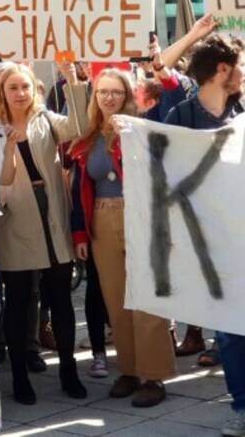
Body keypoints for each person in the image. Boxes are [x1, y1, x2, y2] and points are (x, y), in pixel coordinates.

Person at [71, 68, 177, 408]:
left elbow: (160, 167)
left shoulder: (142, 127)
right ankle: (130, 371)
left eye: (116, 92)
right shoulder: (88, 137)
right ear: (95, 97)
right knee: (116, 299)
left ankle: (154, 376)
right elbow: (79, 188)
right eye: (102, 91)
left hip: (140, 216)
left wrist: (130, 136)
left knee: (146, 297)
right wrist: (80, 234)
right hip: (102, 219)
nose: (109, 98)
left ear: (128, 96)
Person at [0, 62, 89, 405]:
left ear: (35, 90)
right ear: (2, 92)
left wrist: (73, 82)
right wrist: (7, 147)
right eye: (12, 87)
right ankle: (19, 377)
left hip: (54, 216)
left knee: (59, 296)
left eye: (25, 87)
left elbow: (79, 126)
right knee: (17, 301)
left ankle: (69, 371)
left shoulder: (45, 119)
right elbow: (1, 180)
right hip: (17, 220)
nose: (19, 93)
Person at [163, 32, 244, 435]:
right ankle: (242, 408)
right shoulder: (181, 117)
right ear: (223, 70)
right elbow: (163, 175)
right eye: (240, 65)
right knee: (230, 331)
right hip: (212, 246)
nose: (244, 72)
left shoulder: (243, 111)